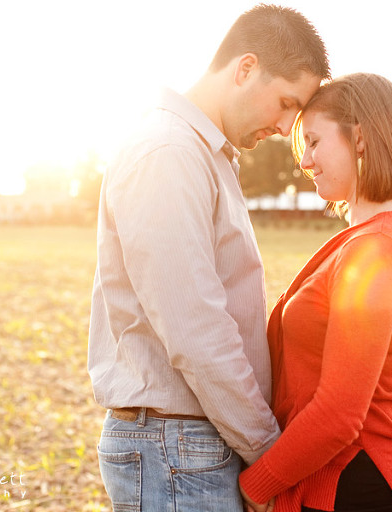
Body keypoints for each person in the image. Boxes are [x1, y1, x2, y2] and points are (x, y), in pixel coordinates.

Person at [87, 5, 330, 512]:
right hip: (176, 449)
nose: (286, 127)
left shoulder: (201, 153)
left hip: (189, 443)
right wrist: (268, 453)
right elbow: (195, 329)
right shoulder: (169, 153)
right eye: (286, 103)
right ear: (245, 68)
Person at [238, 73, 392, 512]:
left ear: (359, 139)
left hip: (364, 488)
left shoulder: (376, 250)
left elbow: (338, 414)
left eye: (313, 141)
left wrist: (255, 487)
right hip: (345, 482)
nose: (305, 161)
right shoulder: (368, 240)